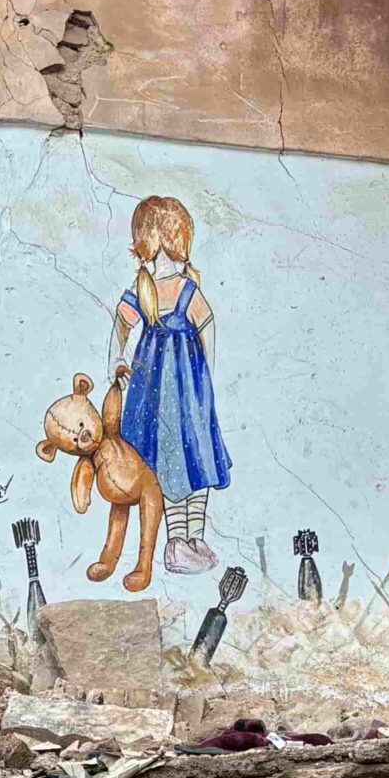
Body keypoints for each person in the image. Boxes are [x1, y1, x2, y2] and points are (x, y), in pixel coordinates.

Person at [110, 194, 231, 575]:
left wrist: (205, 375)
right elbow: (121, 325)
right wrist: (116, 360)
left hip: (188, 392)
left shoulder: (186, 289)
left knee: (196, 455)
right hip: (153, 392)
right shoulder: (143, 289)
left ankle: (195, 537)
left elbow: (207, 325)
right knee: (164, 459)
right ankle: (175, 542)